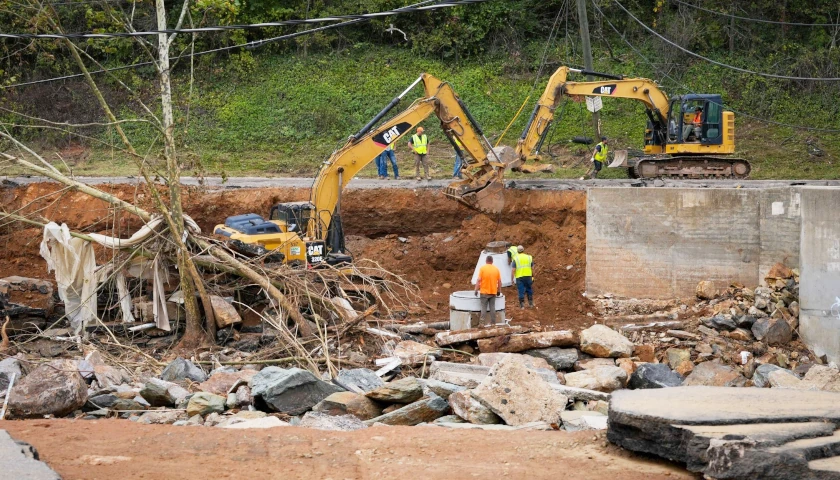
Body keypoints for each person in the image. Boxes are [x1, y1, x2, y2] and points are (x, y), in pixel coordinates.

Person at [474, 256, 502, 327]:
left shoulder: (482, 269)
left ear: (486, 261)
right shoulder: (496, 269)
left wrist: (476, 290)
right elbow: (499, 281)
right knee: (492, 307)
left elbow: (479, 280)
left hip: (484, 292)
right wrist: (499, 290)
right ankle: (493, 323)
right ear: (492, 261)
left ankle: (482, 323)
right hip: (493, 292)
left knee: (483, 307)